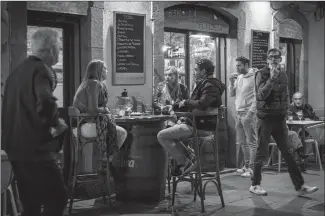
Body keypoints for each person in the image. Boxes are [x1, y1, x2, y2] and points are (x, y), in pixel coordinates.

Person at [2, 28, 68, 216]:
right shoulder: (41, 70)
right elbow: (46, 101)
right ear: (51, 50)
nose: (59, 53)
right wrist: (56, 124)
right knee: (58, 196)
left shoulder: (17, 72)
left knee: (30, 202)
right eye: (59, 48)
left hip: (14, 148)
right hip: (34, 149)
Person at [250, 48, 318, 196]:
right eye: (271, 57)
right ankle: (255, 184)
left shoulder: (284, 75)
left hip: (279, 119)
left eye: (276, 57)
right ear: (267, 60)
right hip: (265, 119)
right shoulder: (261, 74)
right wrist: (272, 79)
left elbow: (285, 94)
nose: (274, 59)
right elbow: (261, 95)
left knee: (288, 152)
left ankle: (299, 186)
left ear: (280, 60)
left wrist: (285, 111)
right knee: (261, 153)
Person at [157, 58, 225, 176]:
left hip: (200, 126)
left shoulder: (210, 86)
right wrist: (175, 106)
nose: (194, 72)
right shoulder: (207, 84)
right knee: (172, 134)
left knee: (162, 135)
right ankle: (190, 157)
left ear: (203, 71)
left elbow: (202, 104)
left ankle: (184, 161)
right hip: (196, 123)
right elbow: (194, 103)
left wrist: (186, 103)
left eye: (196, 70)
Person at [73, 60, 127, 172]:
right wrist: (105, 110)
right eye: (105, 68)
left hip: (81, 125)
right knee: (122, 133)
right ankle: (107, 162)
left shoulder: (89, 83)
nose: (107, 71)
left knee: (116, 131)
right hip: (86, 126)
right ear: (98, 70)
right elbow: (93, 110)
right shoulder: (94, 83)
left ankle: (105, 162)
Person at [229, 56, 258, 178]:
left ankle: (252, 168)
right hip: (238, 112)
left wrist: (250, 114)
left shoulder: (254, 77)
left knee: (251, 142)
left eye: (239, 65)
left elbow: (257, 97)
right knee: (242, 142)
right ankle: (246, 166)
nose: (237, 67)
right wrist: (231, 82)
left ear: (246, 65)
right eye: (236, 65)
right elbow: (232, 94)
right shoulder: (239, 77)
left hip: (248, 113)